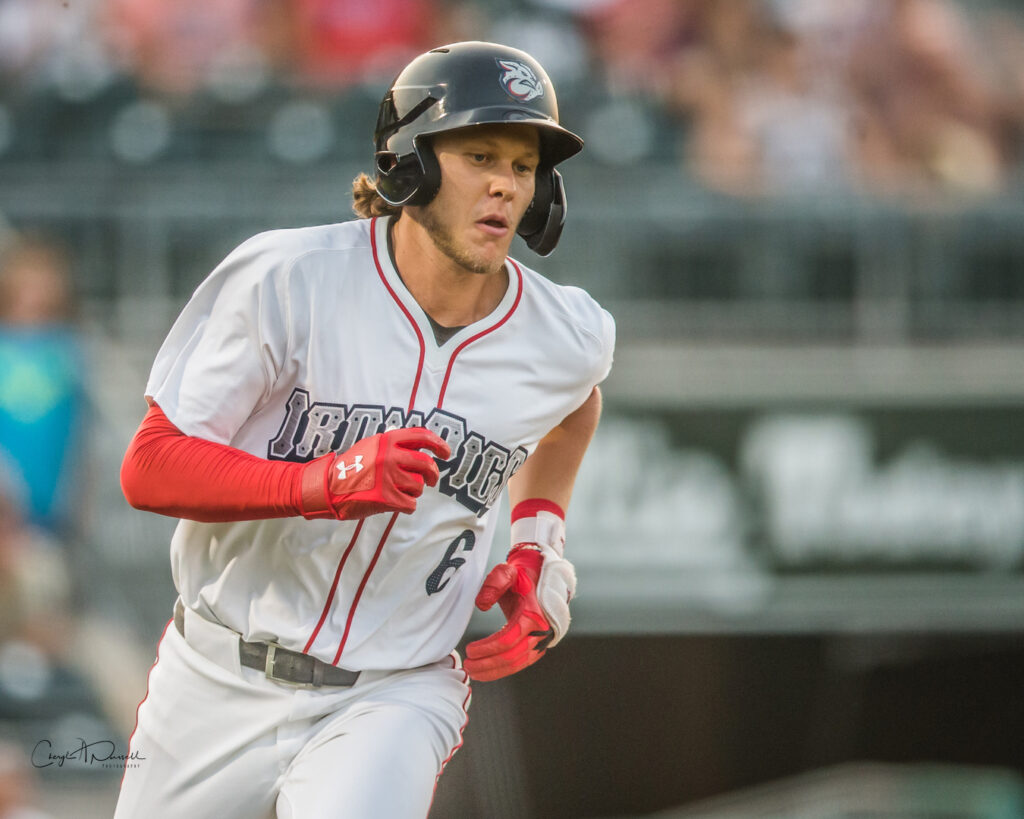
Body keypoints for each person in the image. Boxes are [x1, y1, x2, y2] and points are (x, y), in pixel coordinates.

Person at [115, 40, 614, 818]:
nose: (505, 184)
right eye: (480, 154)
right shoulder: (289, 279)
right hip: (215, 675)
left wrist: (538, 538)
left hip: (395, 691)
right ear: (408, 161)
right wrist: (320, 481)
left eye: (524, 166)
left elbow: (575, 403)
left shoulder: (566, 331)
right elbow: (150, 466)